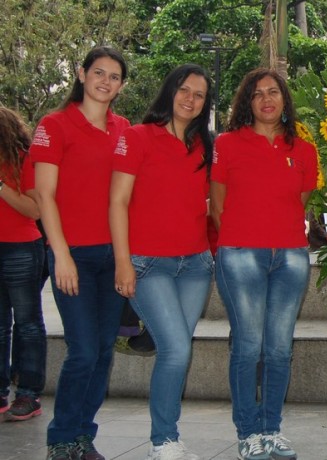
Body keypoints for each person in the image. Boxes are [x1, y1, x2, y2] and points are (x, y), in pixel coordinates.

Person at [211, 68, 318, 460]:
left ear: (284, 101)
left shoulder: (304, 150)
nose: (266, 100)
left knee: (279, 348)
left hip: (290, 256)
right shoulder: (227, 143)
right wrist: (242, 238)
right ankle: (248, 432)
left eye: (273, 92)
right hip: (240, 254)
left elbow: (300, 201)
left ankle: (272, 429)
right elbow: (218, 204)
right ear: (247, 103)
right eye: (257, 95)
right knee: (248, 346)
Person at [109, 64, 215, 459]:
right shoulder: (136, 137)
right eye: (184, 90)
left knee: (177, 349)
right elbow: (117, 202)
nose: (190, 99)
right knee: (175, 349)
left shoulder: (204, 145)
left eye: (199, 95)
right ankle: (164, 440)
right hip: (148, 264)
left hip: (196, 266)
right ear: (170, 92)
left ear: (206, 104)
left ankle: (167, 436)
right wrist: (123, 262)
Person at [31, 46, 130, 460]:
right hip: (73, 257)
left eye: (113, 77)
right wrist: (62, 255)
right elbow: (44, 195)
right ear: (81, 73)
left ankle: (81, 437)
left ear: (121, 86)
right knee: (84, 350)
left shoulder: (124, 128)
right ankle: (61, 438)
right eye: (98, 73)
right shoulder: (54, 125)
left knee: (104, 352)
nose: (105, 81)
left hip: (112, 256)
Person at [0, 107, 46, 422]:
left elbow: (35, 209)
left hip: (21, 248)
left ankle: (28, 394)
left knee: (27, 324)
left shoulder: (21, 158)